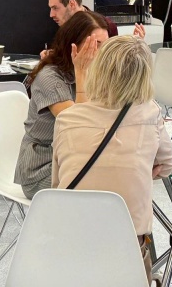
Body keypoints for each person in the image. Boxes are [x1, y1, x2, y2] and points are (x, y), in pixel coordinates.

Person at [52, 35, 172, 280]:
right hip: (127, 244)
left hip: (71, 240)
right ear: (145, 76)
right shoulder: (150, 113)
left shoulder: (66, 119)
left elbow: (57, 183)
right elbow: (167, 165)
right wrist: (138, 169)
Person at [15, 10, 108, 198]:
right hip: (42, 168)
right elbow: (78, 130)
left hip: (75, 158)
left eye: (105, 46)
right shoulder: (50, 77)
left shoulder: (94, 72)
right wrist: (81, 72)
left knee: (123, 167)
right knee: (106, 177)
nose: (102, 53)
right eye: (96, 45)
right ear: (74, 45)